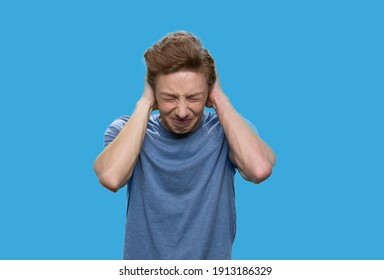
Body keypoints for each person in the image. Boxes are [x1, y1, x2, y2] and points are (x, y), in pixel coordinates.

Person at [93, 31, 276, 260]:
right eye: (169, 98)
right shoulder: (125, 130)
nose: (181, 112)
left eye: (193, 98)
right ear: (154, 93)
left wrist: (220, 99)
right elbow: (111, 178)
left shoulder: (227, 129)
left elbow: (259, 169)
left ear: (208, 93)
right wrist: (145, 103)